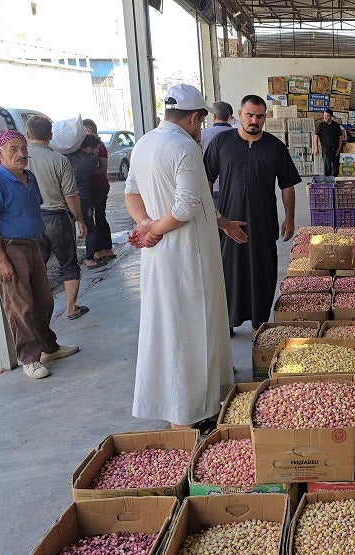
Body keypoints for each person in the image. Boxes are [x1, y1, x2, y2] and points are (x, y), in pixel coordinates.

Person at [125, 84, 243, 429]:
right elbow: (187, 206)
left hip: (159, 254)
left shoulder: (145, 143)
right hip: (185, 255)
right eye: (200, 122)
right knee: (190, 328)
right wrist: (155, 229)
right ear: (194, 118)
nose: (200, 128)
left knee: (168, 324)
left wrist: (145, 224)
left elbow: (131, 193)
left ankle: (191, 402)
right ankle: (188, 415)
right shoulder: (185, 148)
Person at [0, 130, 79, 379]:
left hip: (32, 245)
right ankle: (29, 359)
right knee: (20, 306)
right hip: (10, 249)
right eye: (13, 149)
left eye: (23, 148)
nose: (21, 153)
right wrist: (1, 260)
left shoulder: (28, 177)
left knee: (43, 300)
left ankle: (49, 348)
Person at [204, 94, 300, 332]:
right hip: (228, 223)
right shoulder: (221, 143)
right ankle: (228, 322)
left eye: (259, 116)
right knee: (230, 275)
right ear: (239, 115)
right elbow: (204, 182)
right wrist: (216, 219)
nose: (254, 121)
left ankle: (260, 322)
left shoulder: (275, 147)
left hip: (263, 224)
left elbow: (287, 185)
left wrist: (289, 218)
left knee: (263, 275)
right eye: (249, 115)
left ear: (265, 117)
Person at [25, 116, 89, 320]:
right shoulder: (59, 160)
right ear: (51, 136)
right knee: (68, 264)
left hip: (31, 220)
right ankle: (71, 308)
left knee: (36, 267)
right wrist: (80, 219)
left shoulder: (20, 159)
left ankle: (38, 311)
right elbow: (71, 196)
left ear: (28, 135)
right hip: (56, 219)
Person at [65, 135, 103, 270]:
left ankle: (69, 261)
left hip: (66, 199)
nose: (98, 152)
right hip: (82, 199)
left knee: (69, 231)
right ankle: (90, 259)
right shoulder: (92, 160)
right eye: (97, 148)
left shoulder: (66, 157)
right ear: (88, 149)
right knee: (90, 229)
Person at [82, 119, 115, 262]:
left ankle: (101, 250)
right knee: (100, 218)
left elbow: (103, 168)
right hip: (100, 187)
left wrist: (85, 171)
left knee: (95, 220)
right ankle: (106, 249)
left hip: (97, 188)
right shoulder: (97, 145)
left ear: (88, 130)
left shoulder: (98, 147)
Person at [201, 102, 237, 203]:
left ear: (214, 116)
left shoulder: (203, 134)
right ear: (229, 116)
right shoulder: (237, 135)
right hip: (232, 187)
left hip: (212, 187)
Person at [314, 109, 345, 177]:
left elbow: (340, 138)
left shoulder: (336, 126)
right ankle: (327, 181)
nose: (325, 117)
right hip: (326, 149)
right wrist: (316, 148)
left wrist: (339, 149)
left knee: (335, 167)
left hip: (335, 148)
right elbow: (316, 137)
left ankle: (335, 179)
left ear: (331, 117)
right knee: (327, 166)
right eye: (324, 116)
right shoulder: (321, 125)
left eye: (327, 116)